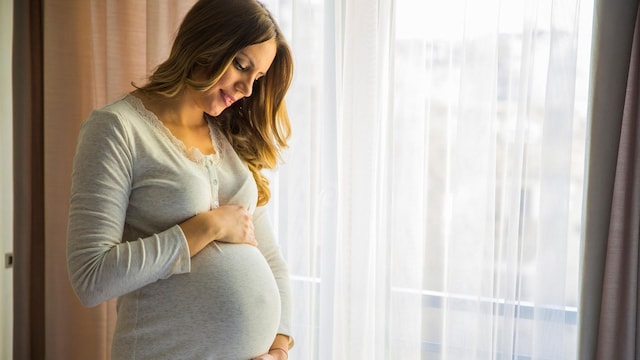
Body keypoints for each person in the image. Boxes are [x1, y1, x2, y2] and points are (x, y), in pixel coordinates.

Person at [66, 0, 294, 359]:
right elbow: (91, 277)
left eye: (258, 77)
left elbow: (269, 257)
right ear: (205, 43)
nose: (247, 89)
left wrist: (279, 348)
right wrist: (206, 227)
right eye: (241, 65)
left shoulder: (228, 137)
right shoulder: (118, 129)